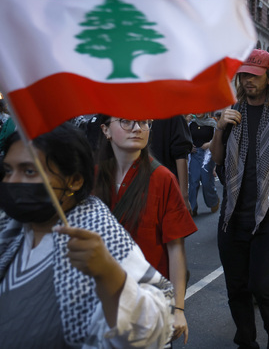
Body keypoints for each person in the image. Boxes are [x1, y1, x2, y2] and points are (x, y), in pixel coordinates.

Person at [0, 123, 174, 347]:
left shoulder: (99, 240)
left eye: (30, 171)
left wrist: (109, 275)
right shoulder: (10, 227)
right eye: (8, 171)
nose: (12, 181)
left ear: (74, 180)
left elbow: (149, 330)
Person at [210, 49, 269, 348]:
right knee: (236, 288)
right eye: (244, 75)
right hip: (233, 214)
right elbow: (217, 158)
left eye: (254, 75)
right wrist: (220, 128)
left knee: (263, 287)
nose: (248, 80)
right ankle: (246, 340)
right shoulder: (231, 110)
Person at [95, 115, 198, 344]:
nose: (136, 128)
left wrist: (178, 308)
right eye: (125, 121)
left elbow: (176, 250)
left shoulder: (163, 179)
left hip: (149, 303)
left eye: (143, 123)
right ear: (105, 130)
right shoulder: (90, 179)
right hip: (98, 303)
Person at [150, 115, 193, 211]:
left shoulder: (173, 115)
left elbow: (181, 153)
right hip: (146, 188)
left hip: (165, 189)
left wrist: (184, 196)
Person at [186, 113, 220, 216]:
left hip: (207, 156)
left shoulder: (212, 123)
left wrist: (209, 144)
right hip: (194, 154)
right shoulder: (190, 123)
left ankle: (213, 201)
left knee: (206, 182)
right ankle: (192, 208)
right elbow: (184, 137)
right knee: (193, 182)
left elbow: (218, 139)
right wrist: (189, 146)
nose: (199, 111)